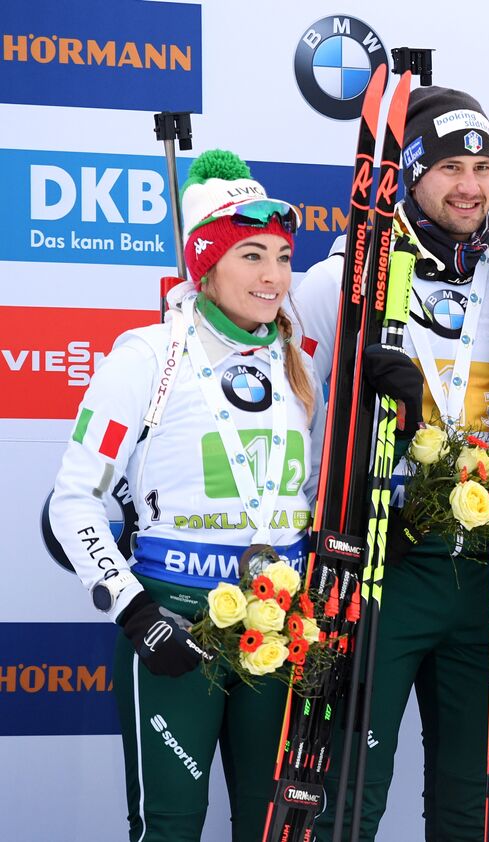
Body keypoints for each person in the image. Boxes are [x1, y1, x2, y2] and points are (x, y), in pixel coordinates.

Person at [295, 85, 489, 840]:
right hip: (385, 563)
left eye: (482, 169)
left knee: (473, 799)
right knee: (349, 787)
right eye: (449, 167)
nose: (470, 186)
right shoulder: (342, 282)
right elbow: (293, 416)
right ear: (412, 174)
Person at [49, 149, 319, 841]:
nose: (273, 277)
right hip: (176, 617)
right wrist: (136, 612)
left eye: (283, 257)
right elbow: (73, 500)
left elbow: (301, 500)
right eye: (251, 255)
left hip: (276, 619)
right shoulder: (146, 355)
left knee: (275, 826)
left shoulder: (296, 364)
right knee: (170, 827)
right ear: (207, 263)